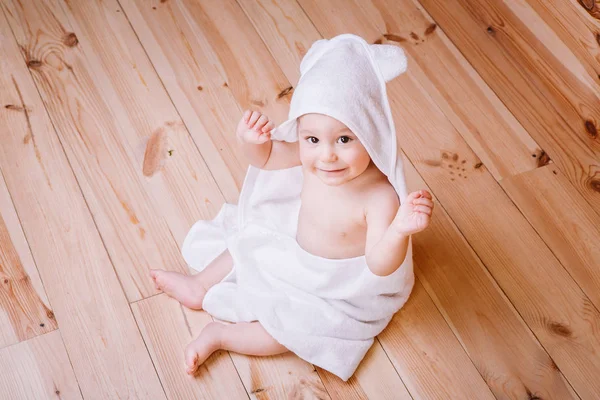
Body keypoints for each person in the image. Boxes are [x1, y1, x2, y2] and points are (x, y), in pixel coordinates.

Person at [151, 34, 434, 380]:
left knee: (296, 330)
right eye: (312, 139)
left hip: (333, 287)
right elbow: (268, 157)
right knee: (248, 239)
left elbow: (379, 263)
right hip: (294, 249)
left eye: (344, 139)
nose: (327, 155)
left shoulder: (379, 196)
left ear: (371, 133)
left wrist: (399, 230)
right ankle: (199, 285)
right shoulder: (312, 158)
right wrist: (251, 142)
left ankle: (221, 335)